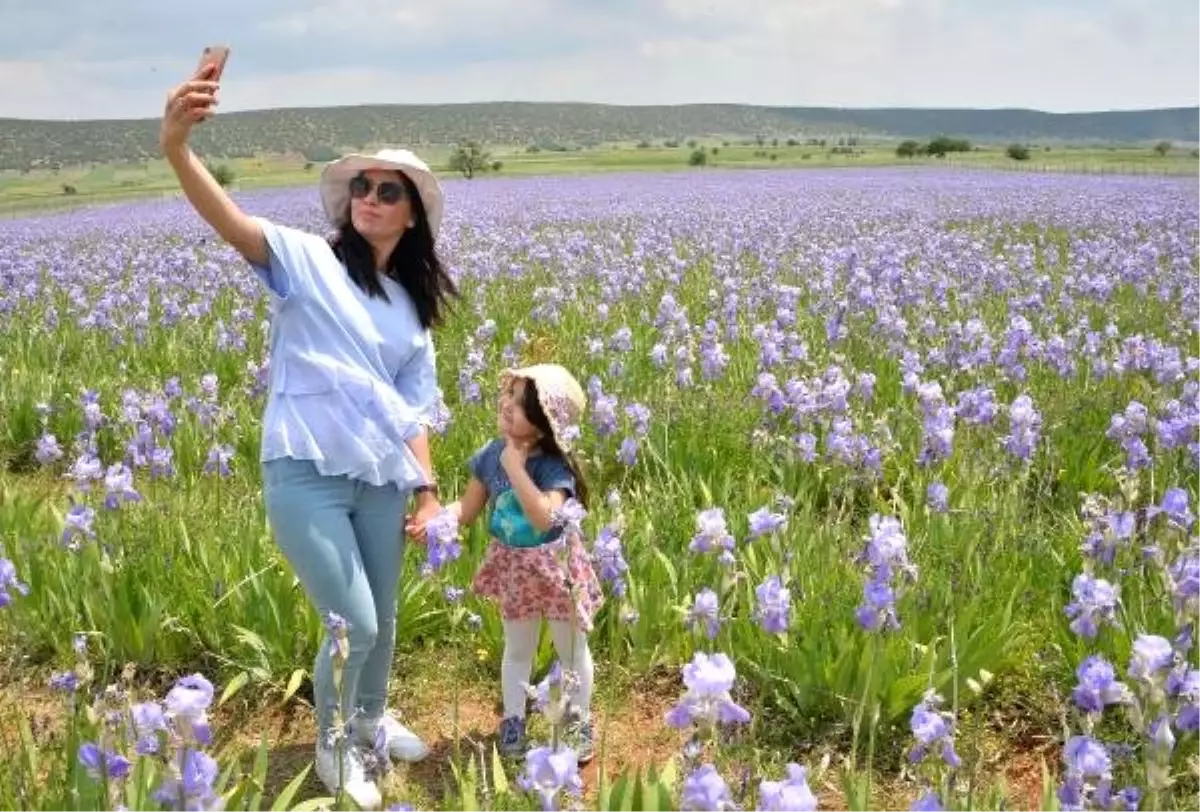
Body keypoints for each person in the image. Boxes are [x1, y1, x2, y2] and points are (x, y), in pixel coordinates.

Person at [159, 62, 456, 807]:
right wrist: (177, 148)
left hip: (382, 480)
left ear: (411, 212)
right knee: (349, 618)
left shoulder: (409, 307)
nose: (370, 198)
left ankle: (370, 720)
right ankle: (333, 751)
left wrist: (427, 491)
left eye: (389, 190)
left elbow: (411, 410)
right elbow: (230, 222)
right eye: (362, 186)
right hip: (305, 472)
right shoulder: (307, 259)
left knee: (384, 619)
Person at [441, 364, 604, 762]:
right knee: (518, 650)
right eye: (508, 395)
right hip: (514, 567)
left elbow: (545, 519)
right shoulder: (489, 455)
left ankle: (578, 720)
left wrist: (515, 468)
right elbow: (466, 509)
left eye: (519, 402)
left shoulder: (552, 466)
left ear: (545, 422)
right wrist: (434, 521)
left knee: (571, 651)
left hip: (557, 567)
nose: (506, 405)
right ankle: (513, 720)